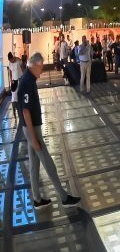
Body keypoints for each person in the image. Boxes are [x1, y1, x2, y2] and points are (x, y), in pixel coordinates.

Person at [17, 53, 81, 209]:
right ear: (35, 65)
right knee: (49, 163)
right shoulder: (26, 81)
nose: (42, 71)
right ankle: (64, 197)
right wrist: (33, 139)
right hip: (32, 129)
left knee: (34, 165)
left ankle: (37, 200)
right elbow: (25, 111)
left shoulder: (29, 79)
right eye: (41, 67)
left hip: (31, 128)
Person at [7, 52, 23, 118]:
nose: (11, 61)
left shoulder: (18, 60)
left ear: (13, 57)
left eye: (11, 59)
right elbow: (10, 71)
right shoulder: (10, 63)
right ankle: (17, 109)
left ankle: (21, 105)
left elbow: (22, 67)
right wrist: (11, 79)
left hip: (20, 77)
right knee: (15, 92)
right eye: (9, 60)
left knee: (20, 91)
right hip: (14, 79)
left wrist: (24, 76)